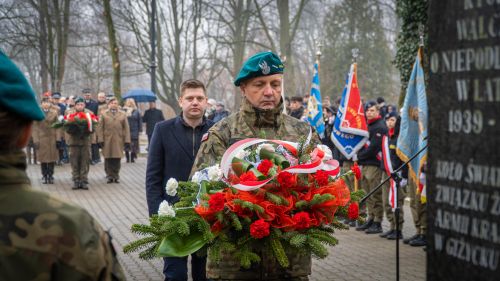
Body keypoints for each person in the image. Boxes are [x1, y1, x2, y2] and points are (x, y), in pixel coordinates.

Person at [191, 51, 320, 281]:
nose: (269, 92)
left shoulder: (302, 134)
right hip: (234, 264)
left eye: (275, 84)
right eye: (259, 84)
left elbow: (321, 188)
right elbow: (200, 193)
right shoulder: (222, 134)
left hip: (289, 263)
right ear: (243, 88)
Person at [0, 50, 125, 280]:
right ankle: (77, 178)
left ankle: (83, 179)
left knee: (84, 165)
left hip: (85, 144)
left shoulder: (88, 114)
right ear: (26, 132)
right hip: (73, 146)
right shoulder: (72, 227)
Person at [146, 79, 214, 281]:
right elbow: (153, 177)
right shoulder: (163, 129)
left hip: (208, 216)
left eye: (199, 98)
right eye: (190, 98)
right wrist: (157, 215)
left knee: (205, 275)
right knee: (175, 275)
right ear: (180, 101)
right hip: (173, 216)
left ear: (206, 101)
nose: (195, 102)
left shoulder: (217, 130)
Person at [355, 100, 388, 234]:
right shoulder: (367, 125)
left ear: (378, 112)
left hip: (373, 164)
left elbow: (374, 148)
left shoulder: (379, 126)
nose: (369, 113)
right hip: (365, 163)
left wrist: (359, 156)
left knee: (375, 193)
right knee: (367, 194)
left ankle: (378, 221)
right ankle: (371, 217)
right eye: (367, 111)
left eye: (372, 111)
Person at [379, 111, 406, 240]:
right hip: (386, 173)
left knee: (397, 201)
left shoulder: (399, 138)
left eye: (392, 120)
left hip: (396, 174)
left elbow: (402, 158)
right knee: (386, 201)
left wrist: (403, 174)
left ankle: (398, 228)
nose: (390, 122)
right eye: (388, 120)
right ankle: (392, 226)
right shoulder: (386, 137)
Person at [98, 97, 130, 183]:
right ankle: (109, 175)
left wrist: (127, 140)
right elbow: (100, 128)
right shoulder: (104, 114)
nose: (114, 105)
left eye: (115, 103)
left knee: (117, 158)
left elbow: (126, 128)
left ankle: (116, 175)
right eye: (112, 103)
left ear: (118, 105)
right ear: (109, 105)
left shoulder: (123, 114)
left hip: (118, 139)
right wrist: (100, 139)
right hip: (107, 139)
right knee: (108, 158)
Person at [66, 97, 94, 190]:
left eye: (81, 104)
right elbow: (66, 128)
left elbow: (93, 127)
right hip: (74, 141)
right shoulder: (69, 113)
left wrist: (87, 130)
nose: (80, 106)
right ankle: (76, 180)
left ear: (84, 105)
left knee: (84, 162)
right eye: (78, 104)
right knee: (74, 162)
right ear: (75, 105)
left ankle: (83, 180)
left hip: (85, 141)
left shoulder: (89, 113)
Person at [32, 98, 59, 184]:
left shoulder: (54, 113)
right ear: (41, 104)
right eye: (44, 102)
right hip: (41, 139)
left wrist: (58, 139)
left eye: (47, 102)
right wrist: (35, 140)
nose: (46, 104)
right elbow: (34, 128)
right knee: (43, 159)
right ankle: (44, 174)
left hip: (52, 138)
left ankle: (51, 175)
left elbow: (58, 126)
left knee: (52, 159)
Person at [123, 98, 142, 163]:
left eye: (131, 103)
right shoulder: (124, 110)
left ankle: (132, 157)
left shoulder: (137, 111)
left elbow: (140, 121)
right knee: (126, 144)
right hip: (126, 129)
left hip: (134, 129)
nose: (130, 104)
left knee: (134, 144)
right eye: (129, 103)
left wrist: (140, 130)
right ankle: (127, 158)